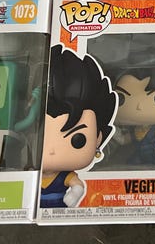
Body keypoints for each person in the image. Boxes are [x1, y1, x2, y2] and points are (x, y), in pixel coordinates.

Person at [40, 45, 117, 208]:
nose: (52, 150)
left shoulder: (66, 177)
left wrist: (75, 194)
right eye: (39, 137)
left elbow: (77, 185)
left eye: (78, 140)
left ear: (98, 138)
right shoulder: (33, 174)